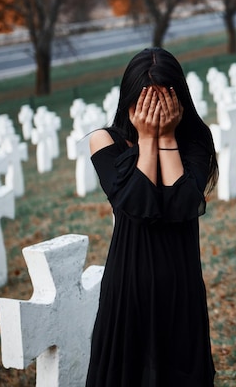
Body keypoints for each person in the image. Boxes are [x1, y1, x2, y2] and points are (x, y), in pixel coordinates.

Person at [86, 47, 218, 386]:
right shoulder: (105, 141)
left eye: (163, 102)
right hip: (128, 286)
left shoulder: (195, 140)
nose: (154, 113)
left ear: (179, 101)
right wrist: (146, 139)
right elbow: (136, 203)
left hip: (181, 283)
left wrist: (168, 137)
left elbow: (183, 204)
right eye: (145, 103)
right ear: (129, 100)